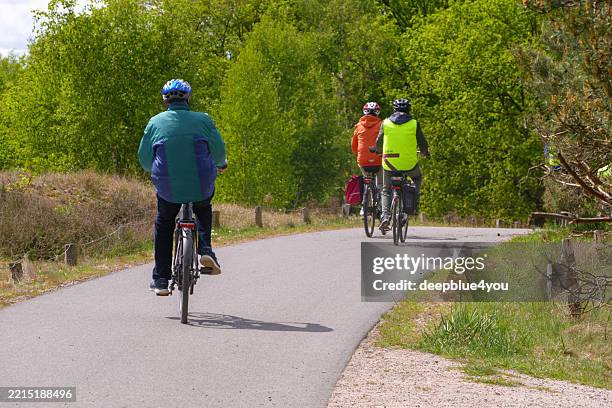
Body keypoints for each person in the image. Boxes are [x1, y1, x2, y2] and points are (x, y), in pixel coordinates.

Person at [138, 79, 227, 296]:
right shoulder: (203, 120)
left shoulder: (155, 123)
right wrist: (221, 163)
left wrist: (155, 170)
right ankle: (205, 249)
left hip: (168, 186)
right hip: (201, 183)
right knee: (203, 207)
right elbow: (218, 150)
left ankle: (161, 279)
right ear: (188, 98)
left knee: (164, 222)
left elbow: (144, 160)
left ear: (165, 100)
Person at [376, 98, 430, 230]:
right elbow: (422, 143)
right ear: (408, 110)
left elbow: (379, 141)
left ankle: (385, 216)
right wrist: (425, 152)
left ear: (394, 109)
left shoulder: (386, 123)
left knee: (386, 190)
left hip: (389, 163)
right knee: (417, 178)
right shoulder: (414, 124)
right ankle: (412, 202)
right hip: (409, 164)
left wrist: (378, 151)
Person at [352, 102, 383, 215]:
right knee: (381, 184)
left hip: (363, 160)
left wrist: (360, 153)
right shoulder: (382, 125)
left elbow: (354, 147)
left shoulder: (358, 126)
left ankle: (363, 206)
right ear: (378, 112)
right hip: (379, 159)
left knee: (367, 179)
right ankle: (381, 208)